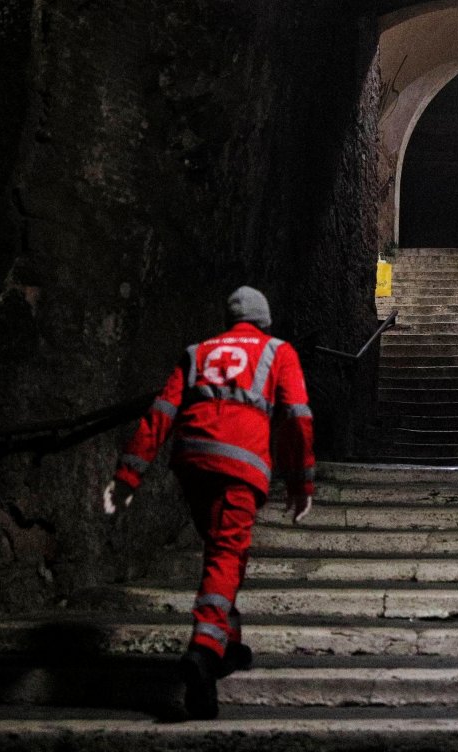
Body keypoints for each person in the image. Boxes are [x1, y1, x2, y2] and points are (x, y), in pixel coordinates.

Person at [103, 286, 315, 720]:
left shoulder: (197, 352)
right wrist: (301, 481)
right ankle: (203, 649)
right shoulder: (278, 351)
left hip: (192, 463)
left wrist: (128, 476)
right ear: (265, 320)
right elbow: (298, 417)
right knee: (225, 554)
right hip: (242, 466)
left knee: (224, 550)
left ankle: (228, 644)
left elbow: (160, 412)